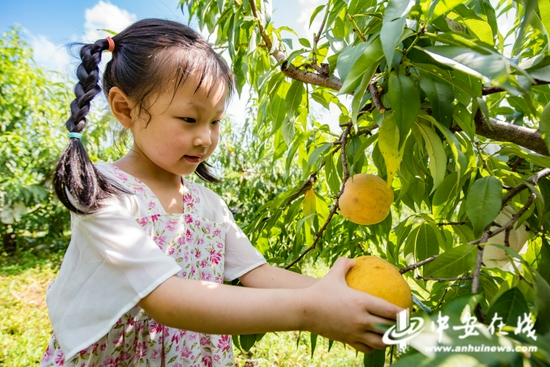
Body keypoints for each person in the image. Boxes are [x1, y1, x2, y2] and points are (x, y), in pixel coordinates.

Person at [39, 18, 402, 367]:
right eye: (189, 119)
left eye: (215, 121)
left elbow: (257, 273)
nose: (206, 138)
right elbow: (166, 298)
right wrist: (309, 310)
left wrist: (342, 295)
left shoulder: (209, 205)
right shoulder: (103, 192)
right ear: (125, 109)